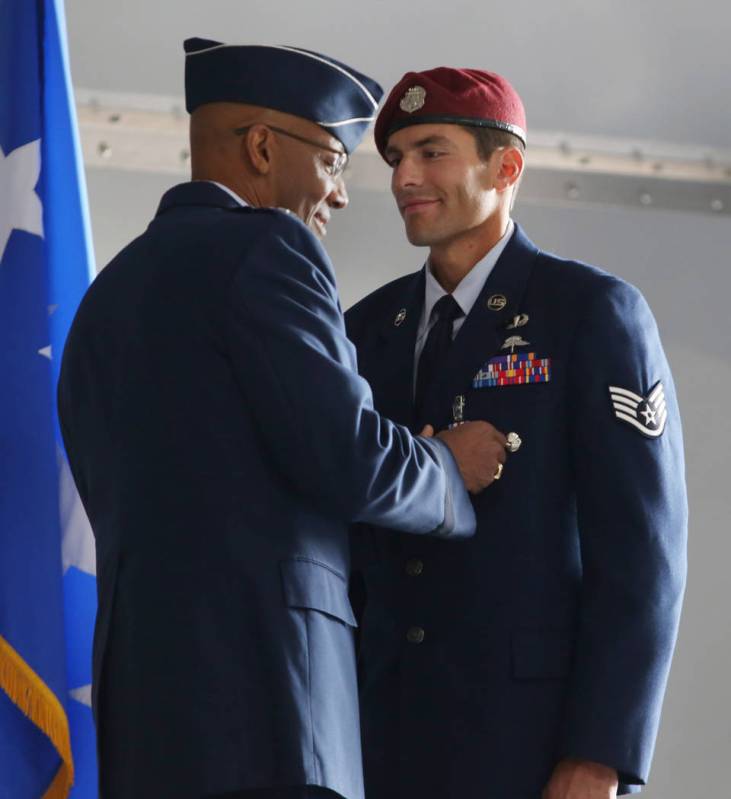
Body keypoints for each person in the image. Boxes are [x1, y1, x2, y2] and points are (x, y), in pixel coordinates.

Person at [57, 43, 508, 799]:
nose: (338, 194)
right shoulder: (269, 247)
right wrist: (446, 470)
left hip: (146, 724)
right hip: (271, 711)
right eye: (334, 160)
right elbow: (348, 454)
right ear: (264, 147)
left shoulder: (105, 296)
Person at [345, 67, 688, 799]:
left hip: (525, 742)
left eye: (430, 151)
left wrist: (601, 750)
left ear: (505, 167)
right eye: (395, 156)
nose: (405, 175)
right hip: (378, 735)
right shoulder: (365, 329)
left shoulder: (590, 312)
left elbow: (641, 554)